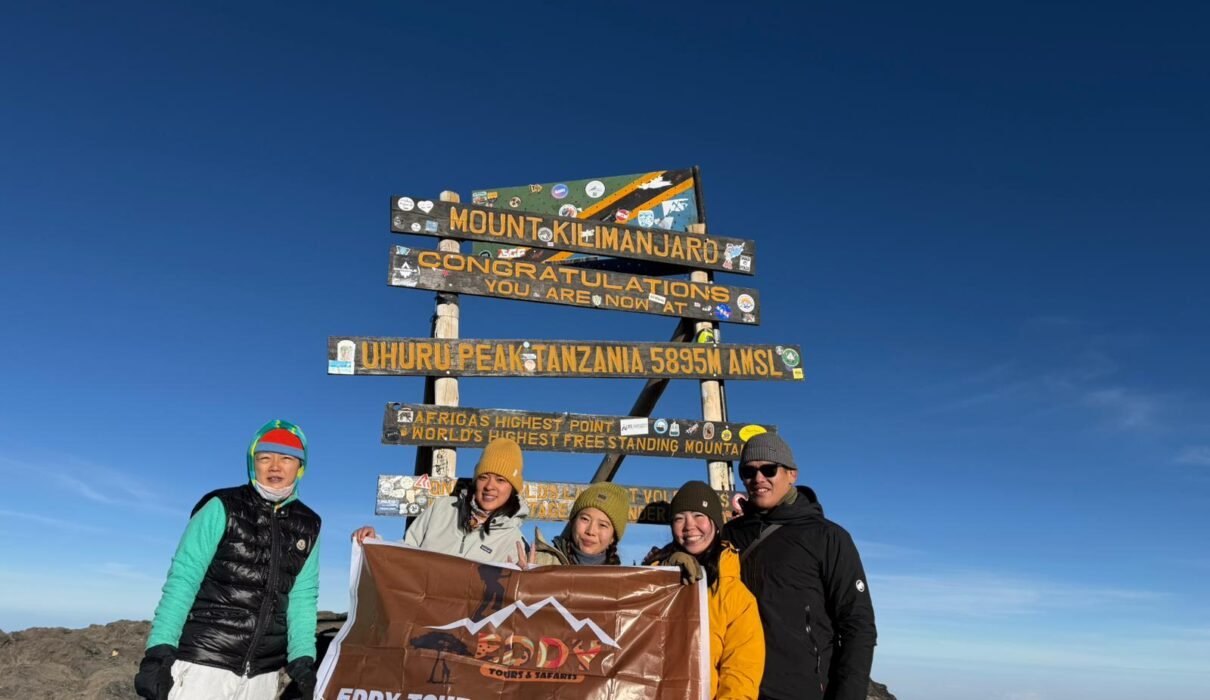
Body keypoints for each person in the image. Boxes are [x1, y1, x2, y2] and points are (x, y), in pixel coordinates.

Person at [135, 420, 322, 700]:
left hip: (263, 676)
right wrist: (159, 651)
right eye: (265, 457)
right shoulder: (222, 506)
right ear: (252, 463)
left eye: (286, 458)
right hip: (203, 665)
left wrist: (303, 659)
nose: (275, 466)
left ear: (300, 466)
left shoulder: (309, 524)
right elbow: (184, 578)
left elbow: (303, 597)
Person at [722, 433, 876, 700]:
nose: (758, 479)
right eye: (748, 471)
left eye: (769, 469)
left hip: (801, 691)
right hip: (734, 688)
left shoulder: (827, 537)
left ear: (791, 474)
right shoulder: (730, 535)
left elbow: (857, 624)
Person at [643, 480, 764, 699]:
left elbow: (740, 675)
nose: (689, 526)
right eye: (679, 518)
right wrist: (666, 568)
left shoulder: (735, 595)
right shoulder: (650, 580)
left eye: (699, 515)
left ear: (716, 523)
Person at [352, 437, 527, 563]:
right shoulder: (442, 508)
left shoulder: (514, 540)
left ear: (512, 488)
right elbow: (404, 555)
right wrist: (374, 542)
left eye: (501, 480)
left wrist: (524, 580)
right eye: (483, 477)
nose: (490, 486)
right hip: (421, 612)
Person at [523, 481, 631, 566]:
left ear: (613, 537)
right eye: (585, 519)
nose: (590, 531)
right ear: (573, 521)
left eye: (602, 525)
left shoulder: (621, 583)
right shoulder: (539, 563)